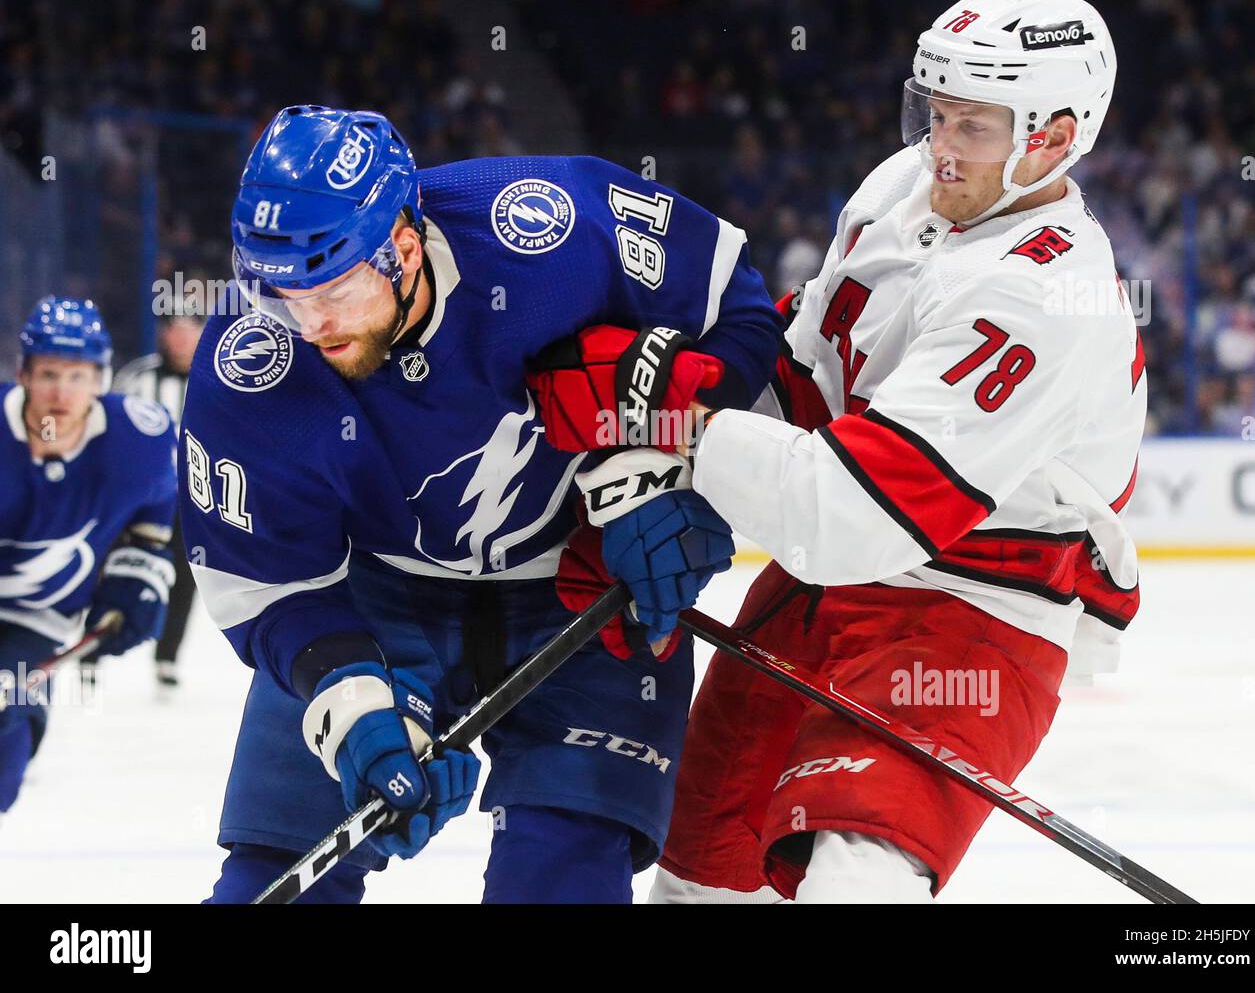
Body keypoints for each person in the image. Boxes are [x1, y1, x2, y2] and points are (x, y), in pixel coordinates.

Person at [531, 0, 1146, 903]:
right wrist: (647, 486)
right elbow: (807, 380)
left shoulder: (1044, 297)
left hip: (975, 611)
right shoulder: (899, 190)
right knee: (700, 881)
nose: (940, 146)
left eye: (972, 127)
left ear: (1052, 138)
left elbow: (852, 511)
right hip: (827, 585)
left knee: (857, 880)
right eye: (934, 113)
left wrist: (672, 426)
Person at [179, 105, 783, 903]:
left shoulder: (550, 227)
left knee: (563, 870)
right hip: (379, 595)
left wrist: (664, 459)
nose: (309, 321)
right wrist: (354, 701)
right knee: (279, 876)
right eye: (280, 291)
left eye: (331, 287)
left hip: (584, 580)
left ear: (401, 247)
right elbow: (268, 584)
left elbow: (737, 315)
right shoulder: (252, 369)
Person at [0, 297, 177, 813]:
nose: (61, 391)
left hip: (41, 616)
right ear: (23, 373)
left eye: (77, 376)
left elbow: (154, 511)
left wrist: (136, 577)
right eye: (49, 373)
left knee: (9, 735)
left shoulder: (136, 441)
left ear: (101, 378)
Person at [114, 309, 205, 696]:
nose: (183, 339)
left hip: (191, 500)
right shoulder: (137, 377)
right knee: (114, 566)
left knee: (185, 579)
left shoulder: (217, 378)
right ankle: (91, 649)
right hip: (141, 496)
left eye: (191, 331)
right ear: (166, 335)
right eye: (177, 331)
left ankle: (167, 657)